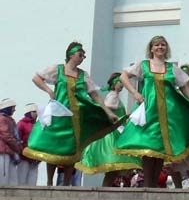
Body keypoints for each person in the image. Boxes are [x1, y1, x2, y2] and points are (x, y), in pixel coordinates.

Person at [115, 35, 189, 188]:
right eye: (157, 45)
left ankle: (153, 184)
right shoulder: (144, 65)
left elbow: (184, 87)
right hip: (149, 111)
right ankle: (147, 183)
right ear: (151, 48)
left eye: (163, 45)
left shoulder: (172, 68)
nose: (160, 47)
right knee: (148, 146)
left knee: (160, 149)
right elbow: (123, 76)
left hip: (167, 113)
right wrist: (134, 93)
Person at [24, 42, 119, 186]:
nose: (83, 57)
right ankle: (49, 182)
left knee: (72, 149)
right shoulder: (58, 69)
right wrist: (49, 91)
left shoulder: (83, 75)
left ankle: (67, 183)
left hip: (75, 117)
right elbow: (36, 78)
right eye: (80, 54)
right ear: (71, 54)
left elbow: (94, 94)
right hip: (58, 115)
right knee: (53, 147)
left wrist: (107, 111)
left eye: (84, 55)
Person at [77, 72, 142, 186]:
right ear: (114, 83)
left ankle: (106, 188)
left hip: (116, 132)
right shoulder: (112, 96)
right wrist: (120, 117)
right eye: (120, 83)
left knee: (114, 169)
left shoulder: (114, 96)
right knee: (114, 165)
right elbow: (107, 110)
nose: (122, 86)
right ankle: (105, 189)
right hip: (112, 135)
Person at [0, 98, 22, 186]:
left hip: (10, 152)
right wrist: (17, 147)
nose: (14, 110)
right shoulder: (2, 119)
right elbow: (6, 136)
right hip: (3, 152)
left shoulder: (10, 119)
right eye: (13, 107)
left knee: (12, 179)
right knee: (4, 177)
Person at [17, 103, 39, 186]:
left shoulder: (38, 125)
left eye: (36, 112)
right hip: (24, 157)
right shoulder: (21, 124)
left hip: (35, 157)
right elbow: (17, 139)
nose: (36, 114)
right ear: (29, 112)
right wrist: (21, 152)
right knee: (21, 180)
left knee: (33, 181)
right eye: (34, 112)